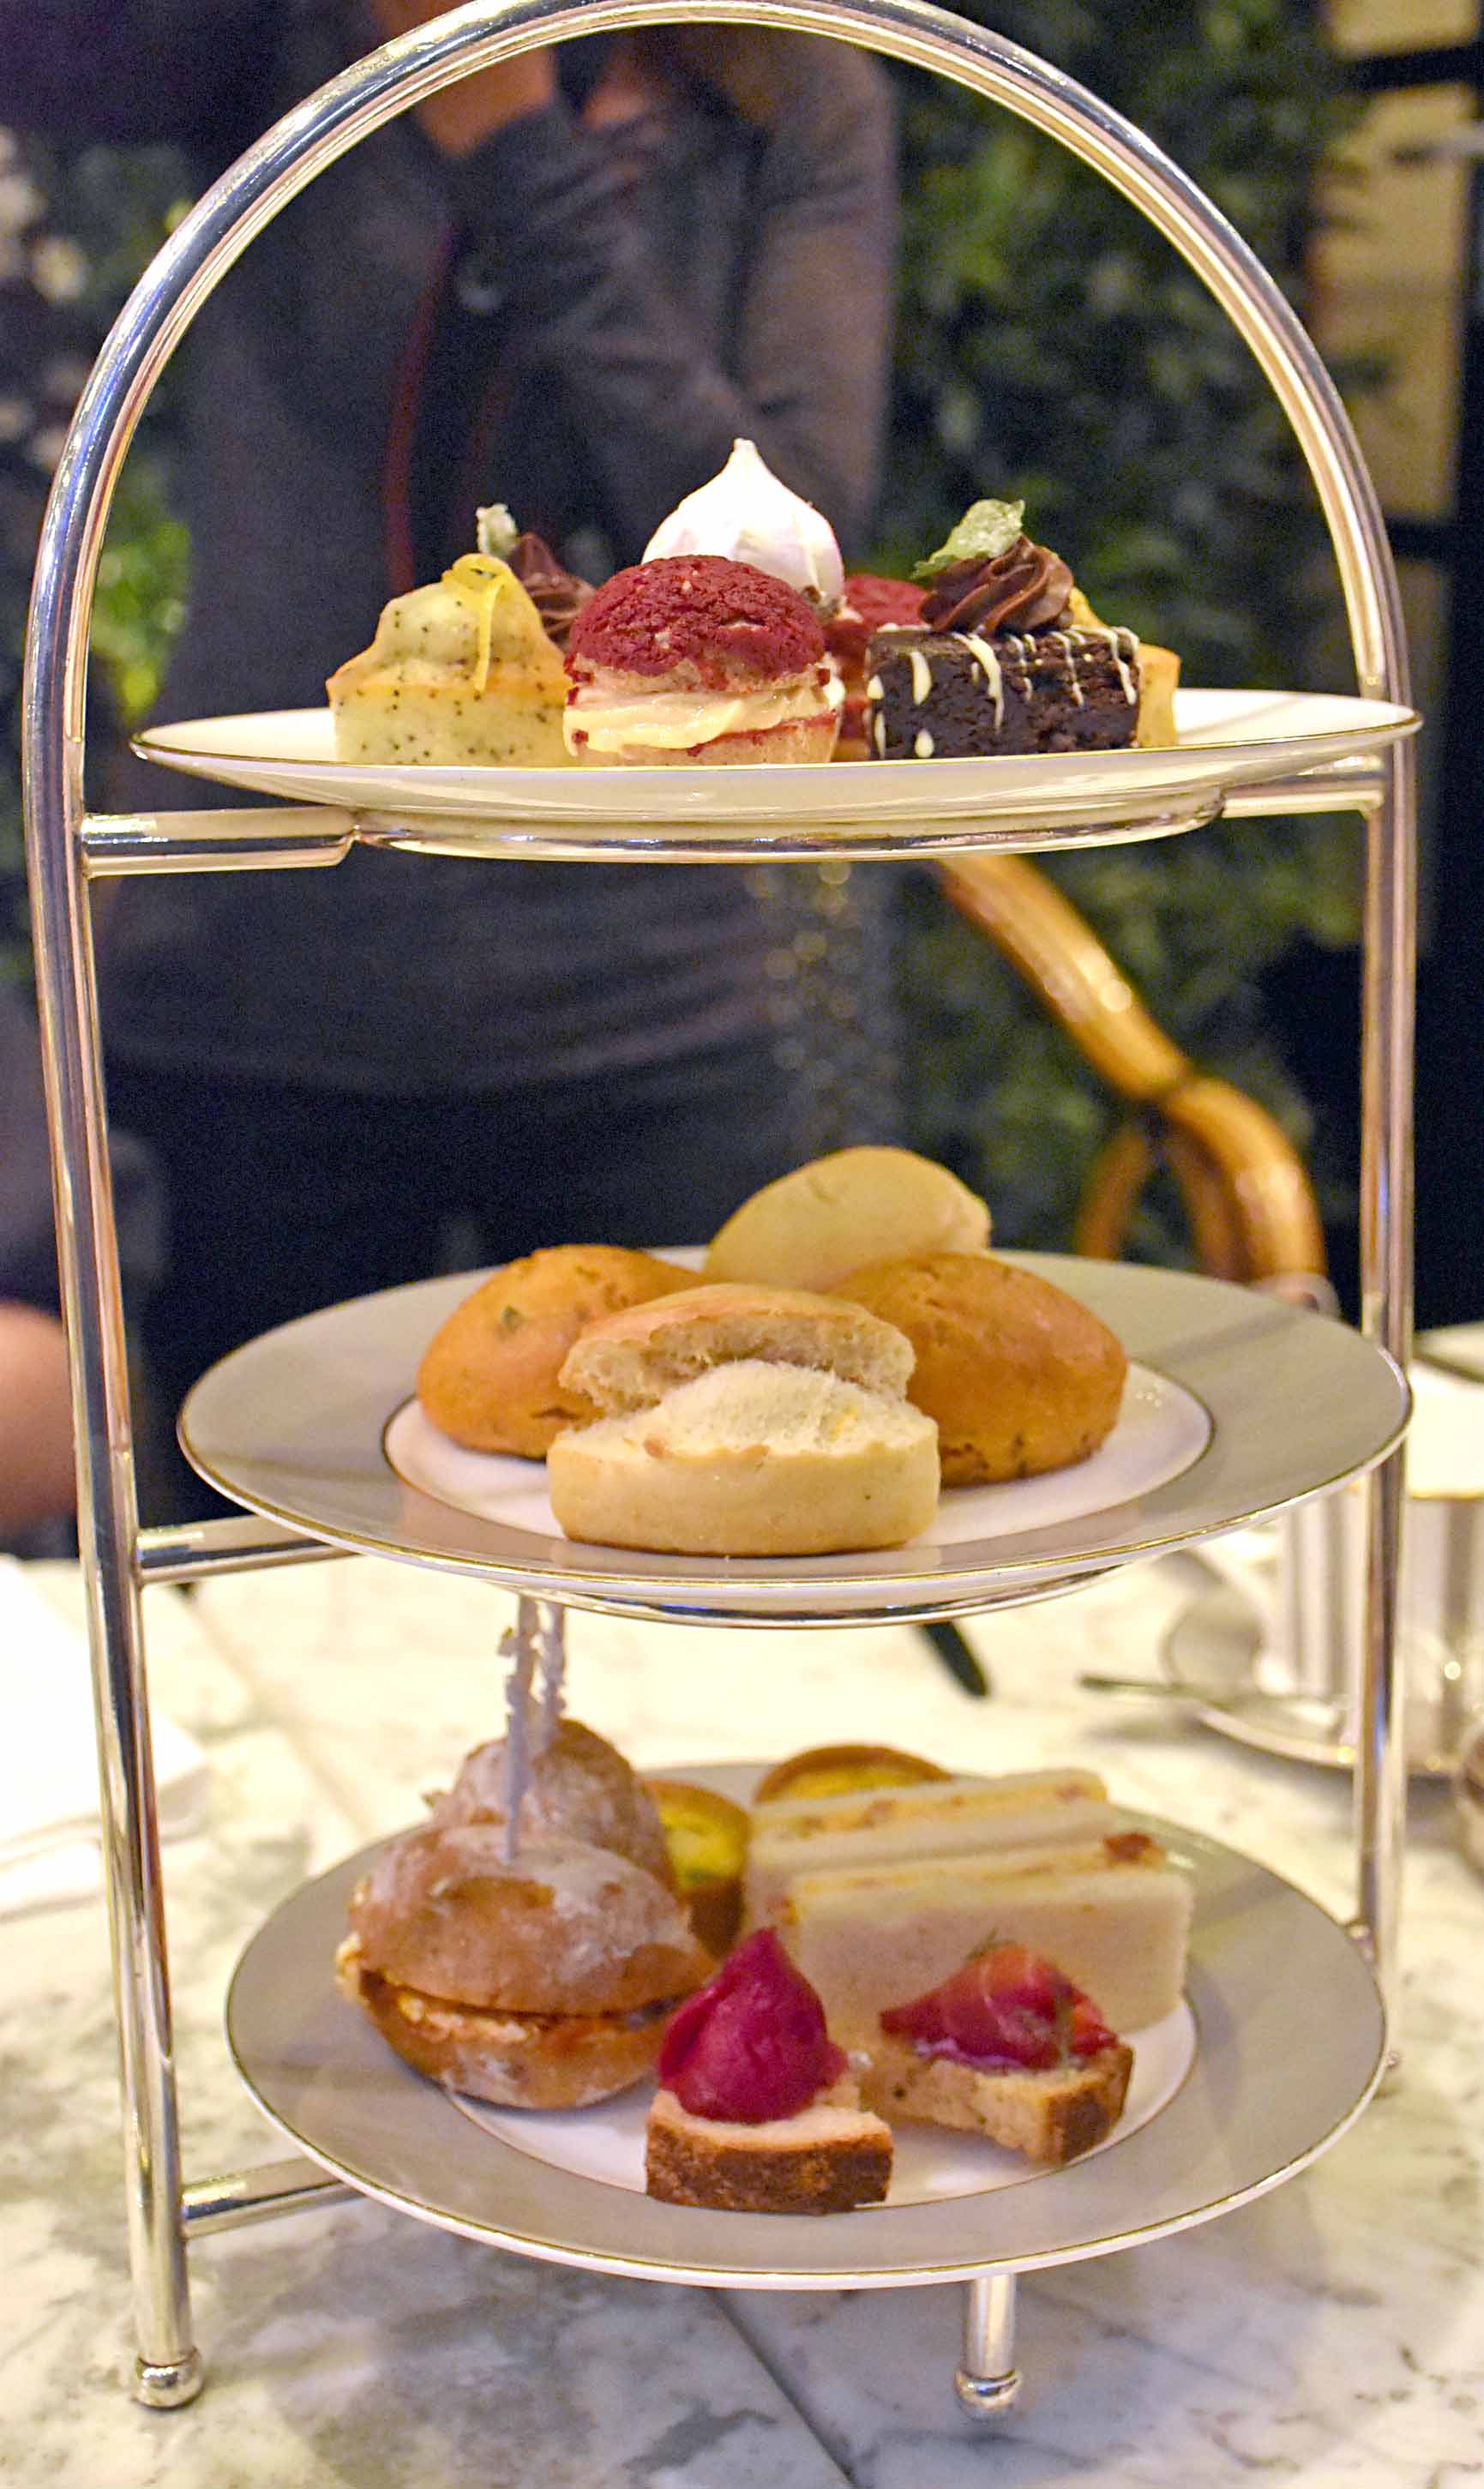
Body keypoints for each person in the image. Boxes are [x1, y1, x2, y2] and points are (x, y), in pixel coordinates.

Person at [2, 5, 900, 1516]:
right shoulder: (279, 45)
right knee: (268, 1548)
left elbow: (777, 553)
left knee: (707, 1523)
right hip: (251, 972)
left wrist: (511, 143)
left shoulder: (792, 87)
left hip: (641, 989)